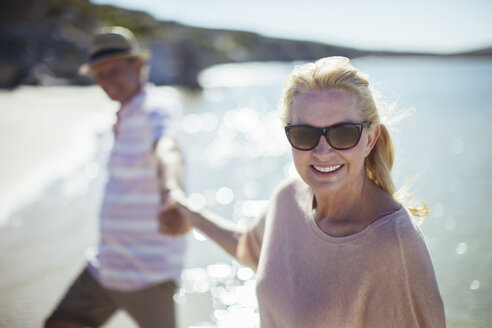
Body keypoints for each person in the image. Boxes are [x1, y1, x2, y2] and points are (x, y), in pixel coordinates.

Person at [160, 56, 446, 327]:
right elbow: (249, 249)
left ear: (370, 139)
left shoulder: (394, 244)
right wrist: (189, 213)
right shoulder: (288, 197)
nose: (323, 152)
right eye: (304, 134)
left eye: (343, 133)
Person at [44, 26, 187, 328]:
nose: (106, 82)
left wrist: (170, 193)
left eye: (114, 72)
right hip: (104, 265)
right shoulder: (123, 114)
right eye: (99, 75)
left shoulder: (156, 108)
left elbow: (167, 149)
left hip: (148, 272)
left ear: (137, 66)